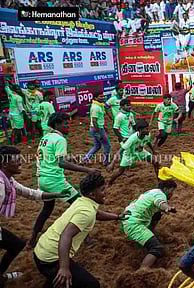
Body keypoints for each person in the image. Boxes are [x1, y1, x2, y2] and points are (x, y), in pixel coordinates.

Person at [33, 173, 129, 288]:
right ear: (92, 194)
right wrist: (64, 268)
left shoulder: (82, 201)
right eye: (102, 190)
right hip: (50, 260)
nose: (106, 192)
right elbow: (65, 236)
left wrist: (117, 217)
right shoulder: (86, 212)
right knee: (92, 285)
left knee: (58, 281)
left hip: (41, 250)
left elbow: (97, 214)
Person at [28, 113, 98, 248]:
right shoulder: (60, 139)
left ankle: (32, 239)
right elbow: (61, 163)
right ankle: (87, 240)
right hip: (55, 180)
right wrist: (87, 170)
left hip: (42, 179)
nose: (68, 126)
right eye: (65, 124)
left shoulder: (46, 136)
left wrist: (70, 158)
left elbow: (51, 158)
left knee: (47, 210)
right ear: (57, 124)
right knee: (81, 206)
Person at [0, 146, 62, 288]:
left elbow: (30, 193)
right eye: (17, 160)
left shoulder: (8, 180)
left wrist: (56, 194)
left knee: (17, 245)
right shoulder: (1, 185)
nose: (21, 162)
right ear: (4, 163)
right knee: (15, 244)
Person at [120, 180, 177, 269]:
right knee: (157, 248)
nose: (172, 194)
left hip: (127, 217)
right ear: (165, 189)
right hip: (133, 224)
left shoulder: (153, 191)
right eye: (172, 191)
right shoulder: (160, 195)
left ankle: (149, 234)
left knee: (158, 213)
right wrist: (167, 208)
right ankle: (142, 272)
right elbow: (161, 203)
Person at [109, 119, 159, 186]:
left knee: (155, 162)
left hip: (141, 152)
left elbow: (148, 142)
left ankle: (159, 181)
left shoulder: (148, 135)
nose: (148, 130)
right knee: (120, 171)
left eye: (148, 128)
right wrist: (112, 163)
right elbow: (121, 150)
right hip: (129, 155)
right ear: (140, 130)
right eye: (146, 129)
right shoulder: (132, 138)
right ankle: (110, 182)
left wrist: (153, 151)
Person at [82, 93, 112, 166]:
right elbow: (94, 121)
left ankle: (85, 159)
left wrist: (103, 127)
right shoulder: (96, 107)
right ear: (95, 98)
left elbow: (97, 121)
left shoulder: (99, 105)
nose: (103, 97)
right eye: (101, 96)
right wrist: (100, 132)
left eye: (103, 96)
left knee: (97, 146)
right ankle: (106, 161)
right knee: (107, 145)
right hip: (97, 129)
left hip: (96, 128)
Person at [107, 98, 136, 172]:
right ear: (122, 106)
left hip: (131, 136)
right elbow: (115, 128)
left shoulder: (130, 114)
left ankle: (125, 166)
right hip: (124, 137)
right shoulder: (119, 116)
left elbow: (134, 125)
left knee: (129, 151)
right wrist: (121, 138)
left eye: (130, 105)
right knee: (125, 151)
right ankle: (119, 166)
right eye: (127, 105)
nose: (129, 107)